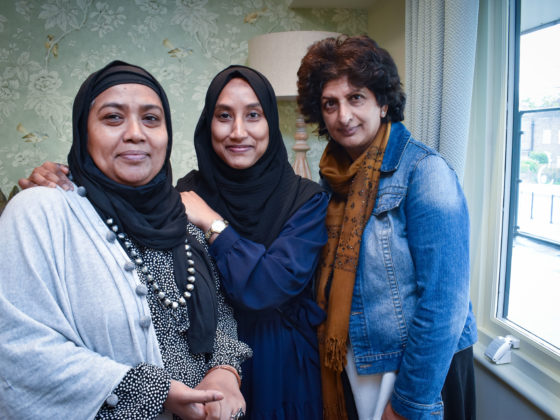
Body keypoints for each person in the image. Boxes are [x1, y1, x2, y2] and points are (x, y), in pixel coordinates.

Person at [18, 65, 328, 420]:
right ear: (205, 125)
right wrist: (62, 178)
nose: (238, 131)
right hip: (190, 386)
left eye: (253, 115)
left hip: (278, 365)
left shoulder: (305, 199)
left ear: (271, 124)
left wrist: (213, 224)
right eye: (223, 115)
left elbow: (263, 288)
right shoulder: (178, 195)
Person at [296, 35, 477, 420]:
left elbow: (445, 304)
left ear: (382, 101)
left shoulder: (425, 172)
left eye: (356, 97)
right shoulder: (334, 177)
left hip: (419, 376)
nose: (343, 116)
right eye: (330, 104)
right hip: (361, 364)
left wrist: (408, 404)